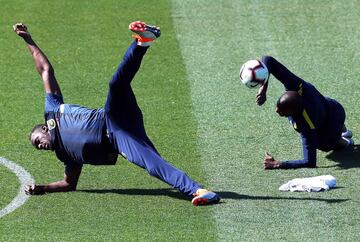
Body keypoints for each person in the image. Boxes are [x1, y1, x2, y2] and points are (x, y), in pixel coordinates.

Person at [13, 21, 220, 206]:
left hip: (113, 116)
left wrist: (28, 40)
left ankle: (143, 41)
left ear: (43, 128)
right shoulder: (65, 155)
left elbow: (45, 70)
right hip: (119, 139)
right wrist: (42, 188)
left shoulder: (52, 112)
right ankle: (199, 191)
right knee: (152, 165)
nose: (39, 146)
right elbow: (69, 183)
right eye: (37, 147)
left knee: (116, 84)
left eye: (37, 140)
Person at [255, 56, 353, 169]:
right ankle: (344, 130)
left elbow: (310, 162)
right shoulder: (296, 86)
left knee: (325, 144)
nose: (276, 110)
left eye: (283, 112)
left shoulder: (307, 124)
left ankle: (345, 142)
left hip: (330, 127)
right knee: (329, 112)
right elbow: (268, 60)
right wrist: (263, 87)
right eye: (278, 105)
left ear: (294, 112)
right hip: (334, 107)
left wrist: (277, 164)